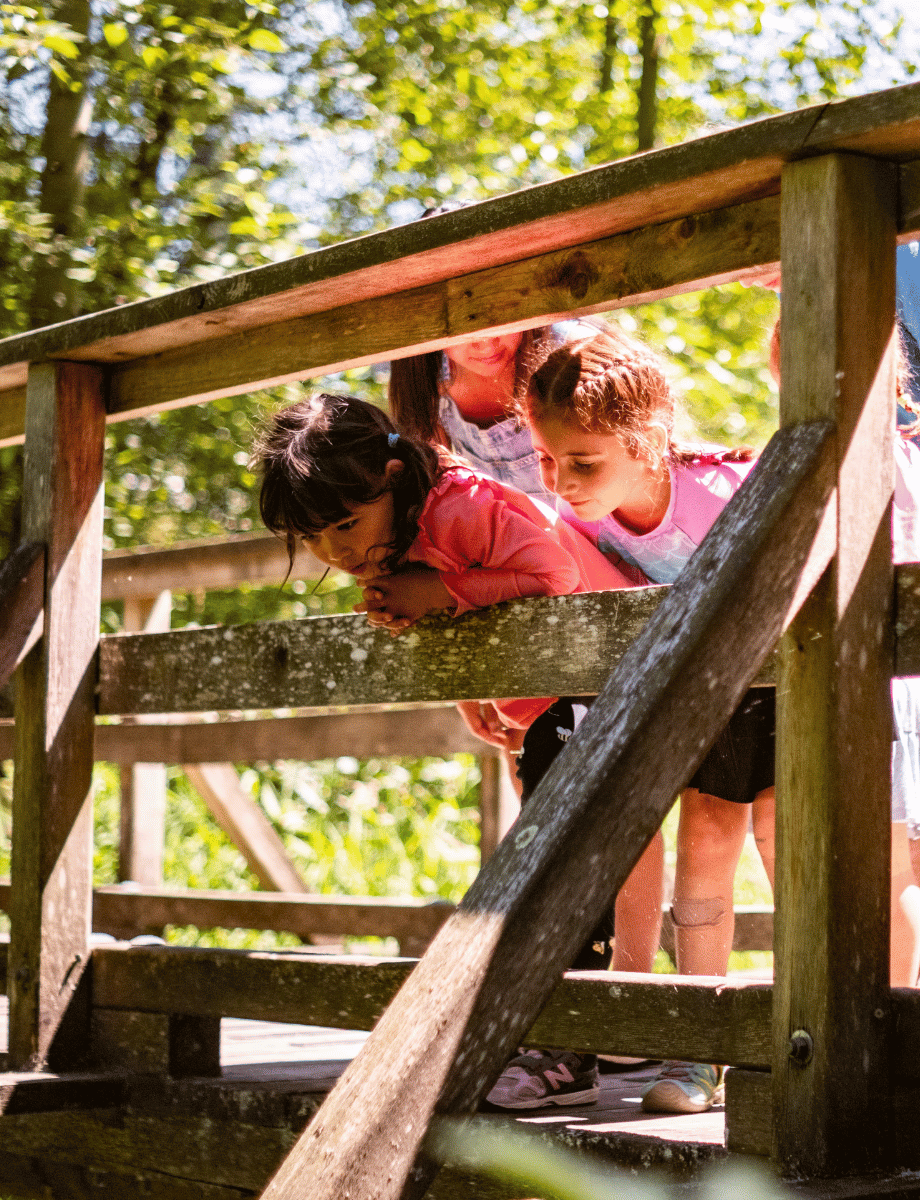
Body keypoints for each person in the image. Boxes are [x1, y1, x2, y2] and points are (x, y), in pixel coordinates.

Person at [253, 390, 644, 1107]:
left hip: (597, 693)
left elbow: (553, 577)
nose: (337, 551)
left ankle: (566, 1052)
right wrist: (477, 690)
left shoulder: (460, 508)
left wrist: (438, 592)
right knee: (545, 868)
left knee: (556, 874)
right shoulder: (393, 537)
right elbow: (457, 616)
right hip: (545, 705)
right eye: (315, 538)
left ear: (394, 480)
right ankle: (552, 1039)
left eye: (346, 523)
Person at [519, 326, 778, 1115]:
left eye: (583, 461)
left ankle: (815, 1037)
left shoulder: (727, 489)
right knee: (703, 847)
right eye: (548, 459)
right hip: (707, 696)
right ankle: (703, 1052)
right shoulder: (580, 519)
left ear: (650, 442)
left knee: (795, 853)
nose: (561, 480)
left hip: (787, 687)